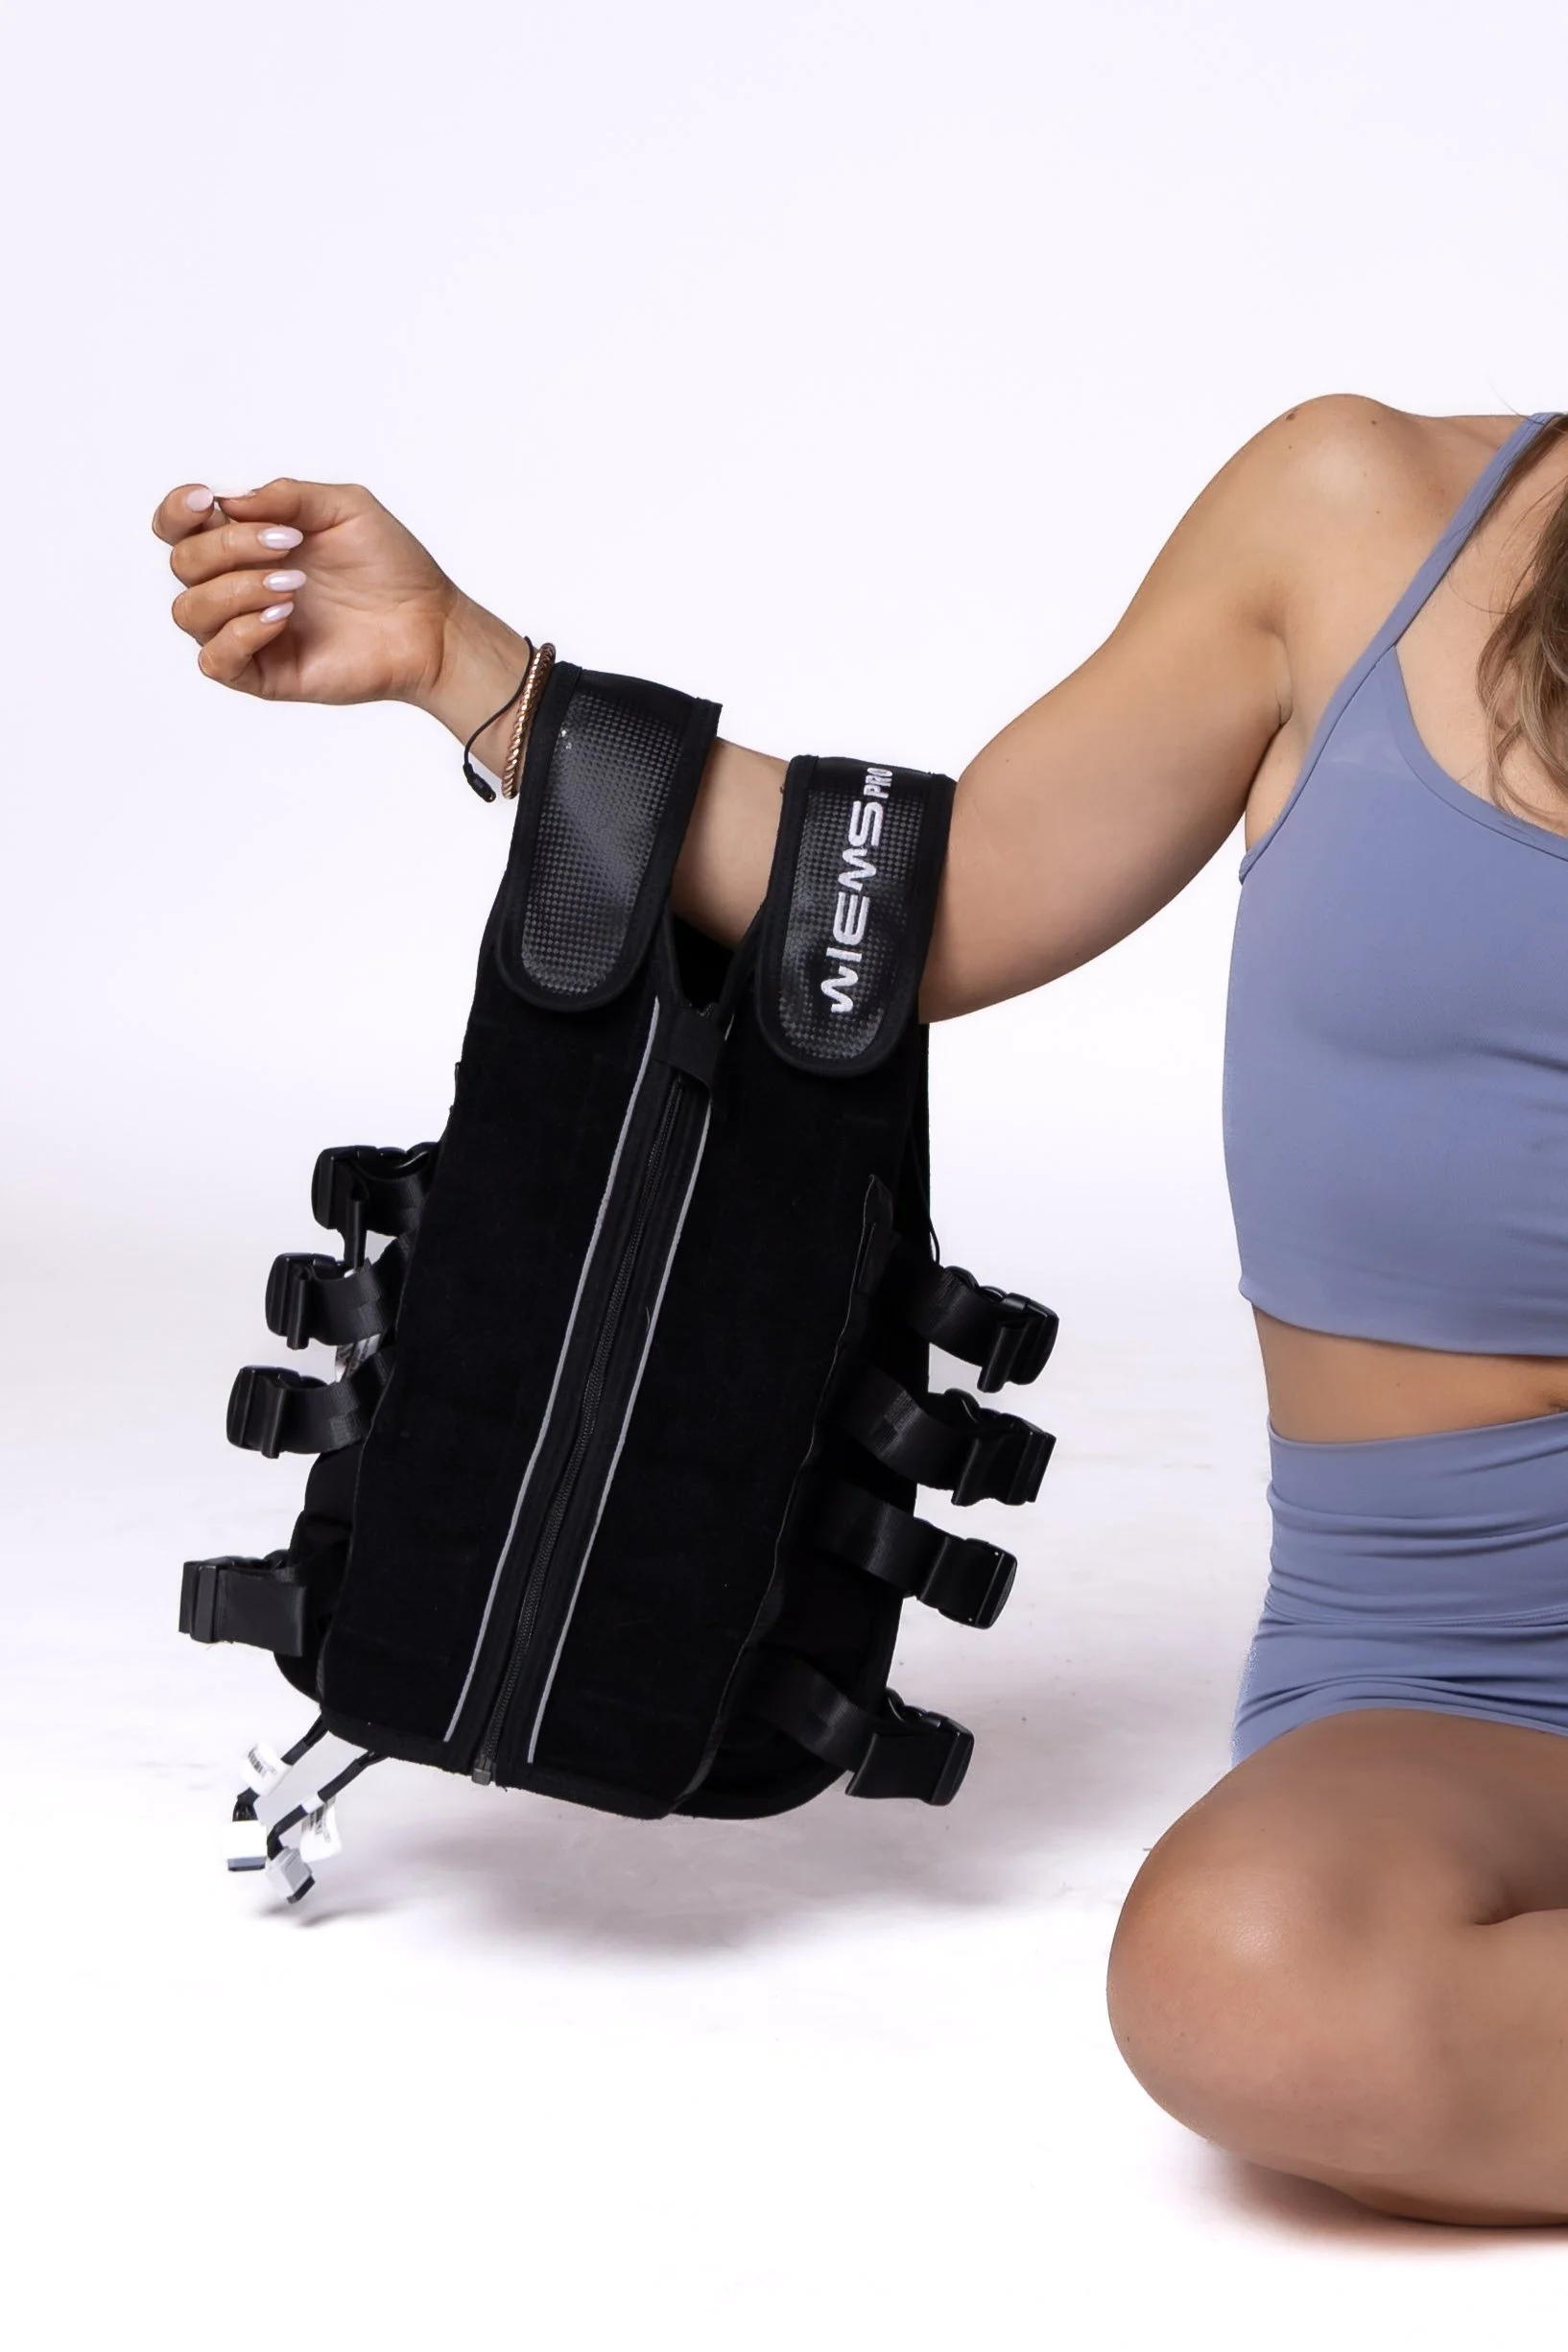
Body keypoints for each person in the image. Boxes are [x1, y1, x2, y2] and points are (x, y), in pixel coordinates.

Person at [153, 397, 1568, 2228]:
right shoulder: (1358, 514)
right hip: (1463, 1673)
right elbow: (928, 906)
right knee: (1248, 1977)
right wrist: (472, 668)